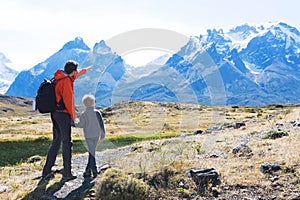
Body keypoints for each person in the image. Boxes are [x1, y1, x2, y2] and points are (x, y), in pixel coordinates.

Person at [42, 60, 92, 181]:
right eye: (76, 71)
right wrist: (72, 117)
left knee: (57, 141)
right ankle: (67, 172)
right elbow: (69, 101)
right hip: (63, 115)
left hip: (54, 113)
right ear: (73, 71)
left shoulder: (59, 77)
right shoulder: (66, 82)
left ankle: (47, 170)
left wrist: (84, 70)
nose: (76, 73)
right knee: (67, 142)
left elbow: (76, 75)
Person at [73, 94, 106, 179]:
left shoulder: (84, 114)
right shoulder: (97, 112)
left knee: (92, 152)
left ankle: (90, 171)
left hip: (88, 136)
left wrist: (72, 123)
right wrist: (103, 134)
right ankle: (92, 171)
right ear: (93, 103)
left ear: (85, 104)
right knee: (92, 152)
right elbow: (101, 124)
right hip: (96, 135)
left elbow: (80, 125)